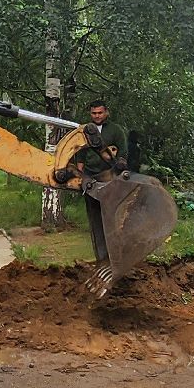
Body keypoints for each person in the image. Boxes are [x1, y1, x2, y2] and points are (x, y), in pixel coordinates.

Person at [72, 100, 129, 265]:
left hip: (110, 177)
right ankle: (101, 257)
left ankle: (117, 256)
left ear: (106, 113)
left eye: (99, 113)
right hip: (91, 178)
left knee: (112, 215)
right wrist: (80, 175)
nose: (97, 116)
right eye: (93, 113)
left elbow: (123, 151)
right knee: (94, 216)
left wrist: (121, 163)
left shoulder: (116, 130)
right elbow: (80, 154)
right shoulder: (85, 131)